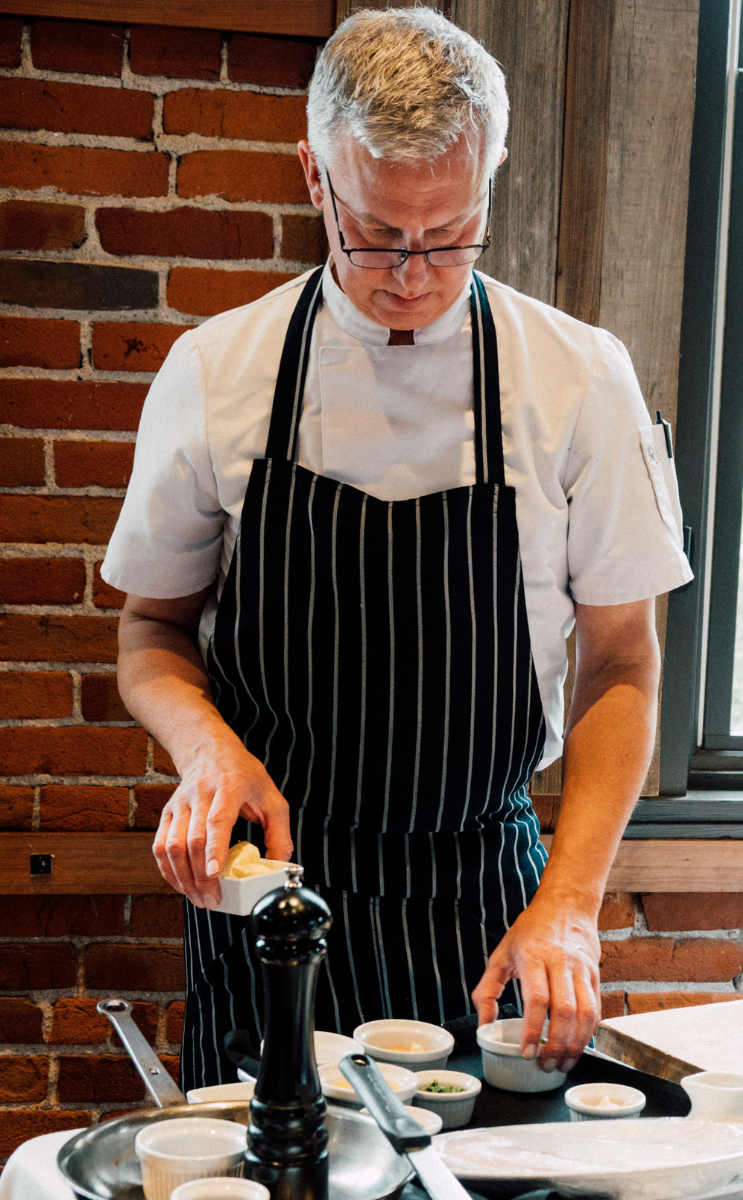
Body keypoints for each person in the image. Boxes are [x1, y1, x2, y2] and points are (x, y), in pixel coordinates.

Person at [102, 6, 691, 1089]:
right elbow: (151, 630)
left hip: (489, 908)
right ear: (315, 178)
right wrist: (207, 751)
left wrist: (569, 906)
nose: (414, 270)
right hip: (272, 901)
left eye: (452, 230)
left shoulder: (579, 378)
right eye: (375, 233)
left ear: (494, 170)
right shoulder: (215, 372)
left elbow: (622, 666)